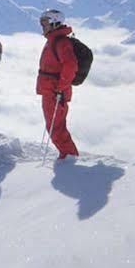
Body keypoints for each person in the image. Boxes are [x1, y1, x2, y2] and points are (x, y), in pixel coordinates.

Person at [35, 9, 91, 160]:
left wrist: (61, 87)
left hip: (56, 92)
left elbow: (70, 65)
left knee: (56, 128)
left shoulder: (61, 42)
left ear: (55, 23)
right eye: (42, 22)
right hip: (51, 90)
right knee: (53, 126)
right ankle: (67, 155)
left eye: (45, 23)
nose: (42, 26)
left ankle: (69, 157)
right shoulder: (54, 40)